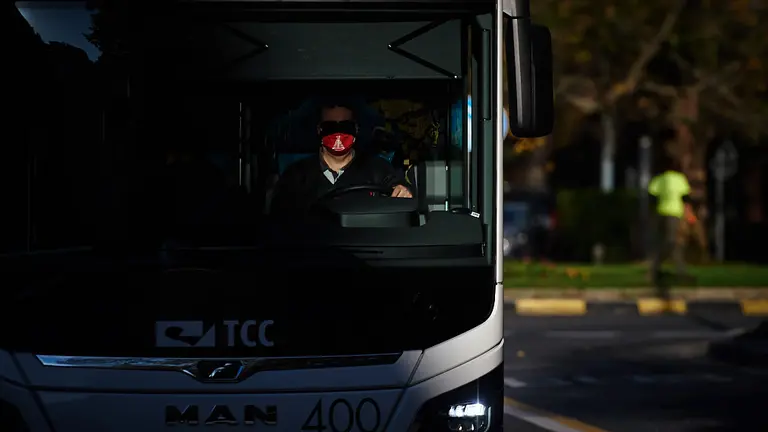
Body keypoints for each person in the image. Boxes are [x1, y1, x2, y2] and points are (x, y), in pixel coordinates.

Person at [271, 103, 412, 215]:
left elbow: (401, 190)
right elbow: (280, 221)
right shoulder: (296, 175)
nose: (338, 133)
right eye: (330, 127)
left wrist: (403, 192)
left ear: (356, 129)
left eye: (345, 126)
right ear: (319, 130)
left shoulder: (378, 169)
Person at [647, 157, 695, 281]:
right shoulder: (680, 179)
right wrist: (689, 214)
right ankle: (661, 269)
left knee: (669, 242)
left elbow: (652, 196)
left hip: (660, 212)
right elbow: (686, 198)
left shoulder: (659, 179)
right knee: (672, 242)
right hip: (675, 213)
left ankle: (669, 269)